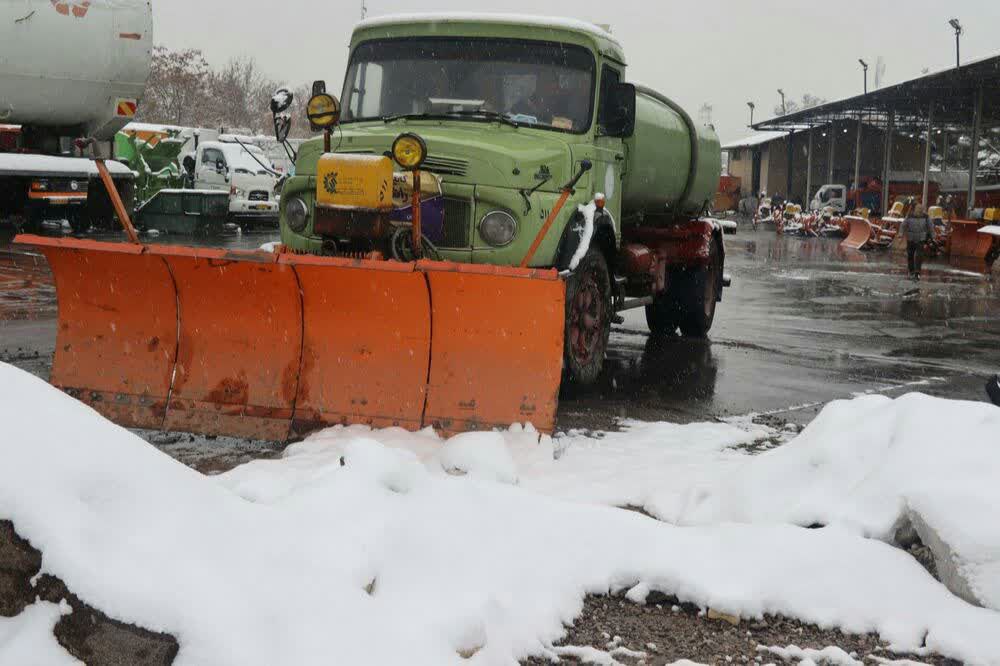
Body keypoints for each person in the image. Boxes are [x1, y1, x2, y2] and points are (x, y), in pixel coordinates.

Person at [897, 204, 933, 280]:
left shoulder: (926, 217)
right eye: (918, 208)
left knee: (919, 255)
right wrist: (900, 235)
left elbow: (930, 226)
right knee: (910, 255)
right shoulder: (910, 216)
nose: (919, 210)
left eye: (921, 208)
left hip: (921, 239)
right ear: (915, 209)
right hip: (911, 238)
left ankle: (917, 272)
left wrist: (933, 236)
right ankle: (911, 271)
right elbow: (903, 225)